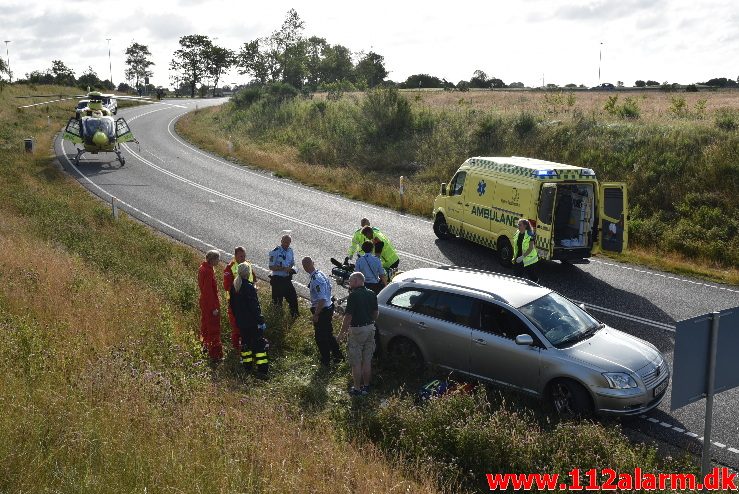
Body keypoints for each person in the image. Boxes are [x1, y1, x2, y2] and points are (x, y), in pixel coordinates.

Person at [338, 272, 378, 396]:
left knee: (356, 361)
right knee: (366, 360)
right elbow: (376, 313)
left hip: (357, 331)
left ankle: (356, 388)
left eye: (350, 281)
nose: (349, 284)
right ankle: (366, 387)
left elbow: (348, 316)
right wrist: (370, 322)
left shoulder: (353, 296)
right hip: (370, 328)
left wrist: (341, 334)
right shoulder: (372, 294)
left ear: (356, 281)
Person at [301, 256, 343, 368]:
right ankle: (338, 357)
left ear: (305, 267)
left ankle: (326, 360)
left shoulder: (315, 279)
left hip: (322, 310)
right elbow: (329, 288)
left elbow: (321, 298)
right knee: (329, 334)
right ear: (313, 263)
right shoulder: (321, 274)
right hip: (328, 307)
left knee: (320, 338)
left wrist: (316, 314)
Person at [230, 262, 269, 377]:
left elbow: (232, 305)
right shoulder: (249, 287)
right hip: (252, 323)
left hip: (241, 323)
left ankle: (247, 367)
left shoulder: (234, 287)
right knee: (259, 346)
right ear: (248, 273)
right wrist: (260, 320)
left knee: (246, 345)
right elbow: (254, 306)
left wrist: (238, 319)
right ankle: (262, 371)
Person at [223, 246, 253, 351]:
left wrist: (253, 288)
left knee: (248, 326)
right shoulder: (230, 267)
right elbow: (226, 286)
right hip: (235, 303)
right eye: (241, 256)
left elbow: (253, 279)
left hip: (248, 301)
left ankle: (246, 347)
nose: (243, 258)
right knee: (236, 327)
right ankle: (236, 349)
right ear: (235, 256)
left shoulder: (248, 264)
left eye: (244, 256)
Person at [198, 250, 222, 361]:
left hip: (205, 302)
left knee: (205, 327)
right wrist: (214, 308)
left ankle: (204, 347)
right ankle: (215, 354)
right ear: (212, 259)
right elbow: (208, 291)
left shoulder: (203, 268)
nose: (219, 261)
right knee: (213, 328)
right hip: (210, 304)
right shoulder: (207, 271)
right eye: (217, 259)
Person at [269, 234, 299, 317]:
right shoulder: (275, 252)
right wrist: (282, 268)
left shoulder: (290, 251)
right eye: (285, 242)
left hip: (287, 279)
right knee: (278, 303)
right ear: (281, 241)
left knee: (293, 298)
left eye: (288, 242)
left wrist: (292, 269)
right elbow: (271, 266)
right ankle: (277, 319)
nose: (286, 244)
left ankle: (294, 316)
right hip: (277, 280)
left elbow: (293, 263)